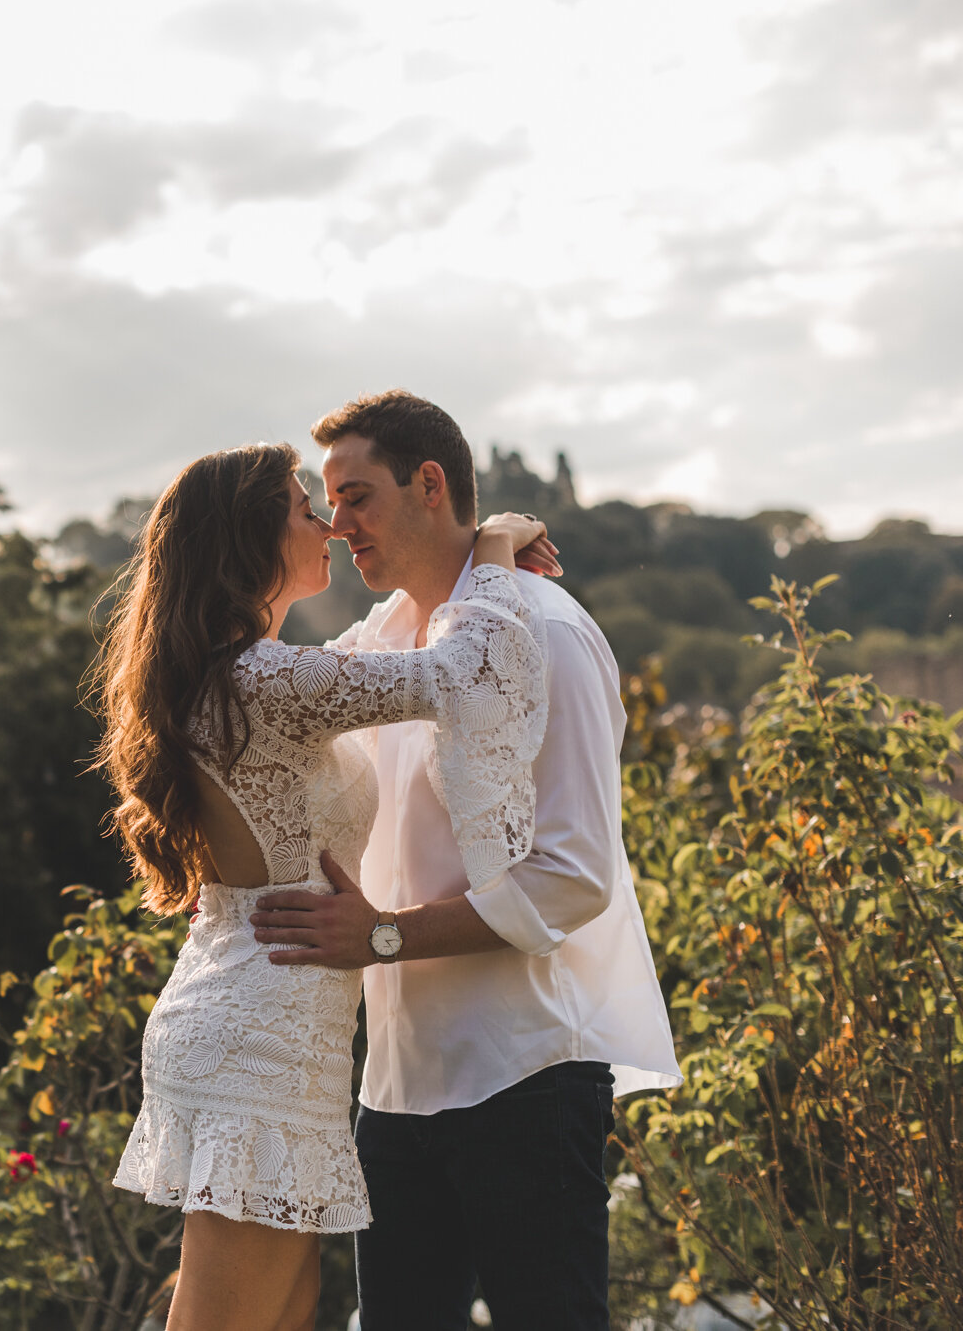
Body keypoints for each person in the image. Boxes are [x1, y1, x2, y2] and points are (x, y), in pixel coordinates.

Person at [96, 441, 557, 1331]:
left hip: (271, 1023)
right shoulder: (263, 677)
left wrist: (449, 566)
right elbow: (463, 676)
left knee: (278, 1318)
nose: (330, 525)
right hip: (256, 1037)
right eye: (306, 508)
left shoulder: (257, 670)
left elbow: (375, 646)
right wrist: (490, 554)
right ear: (251, 538)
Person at [249, 391, 680, 1330]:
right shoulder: (379, 644)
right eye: (327, 502)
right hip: (397, 1088)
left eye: (356, 496)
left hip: (526, 1073)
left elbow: (572, 876)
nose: (337, 525)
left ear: (430, 484)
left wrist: (385, 937)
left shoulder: (548, 631)